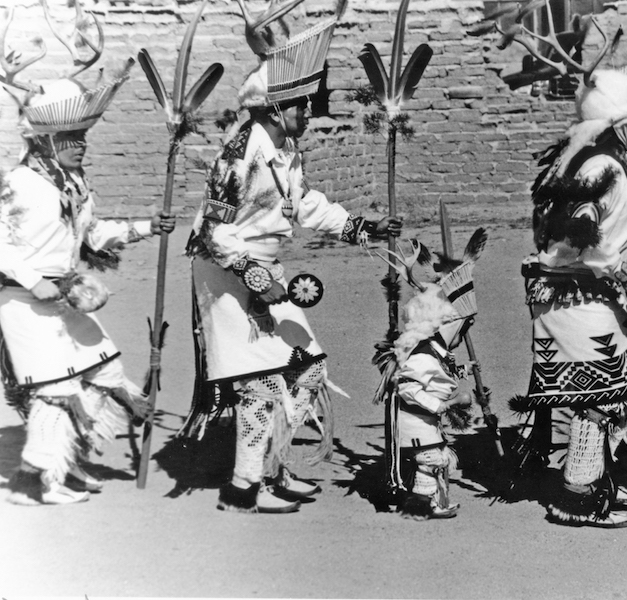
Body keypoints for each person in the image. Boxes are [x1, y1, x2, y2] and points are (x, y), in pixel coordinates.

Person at [185, 16, 402, 514]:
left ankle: (272, 467)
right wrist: (256, 279)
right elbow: (212, 233)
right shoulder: (239, 154)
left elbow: (304, 205)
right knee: (259, 384)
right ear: (279, 106)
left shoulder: (285, 147)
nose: (311, 114)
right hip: (226, 276)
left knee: (307, 368)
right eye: (304, 105)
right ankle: (244, 487)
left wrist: (361, 228)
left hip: (262, 275)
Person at [1, 70, 176, 505]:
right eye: (70, 137)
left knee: (103, 372)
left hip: (65, 297)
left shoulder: (74, 184)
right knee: (54, 390)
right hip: (24, 300)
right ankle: (32, 482)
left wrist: (146, 227)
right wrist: (33, 279)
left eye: (82, 135)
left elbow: (93, 234)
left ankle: (67, 460)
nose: (81, 144)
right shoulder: (19, 183)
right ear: (44, 141)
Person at [515, 54, 627, 528]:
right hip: (574, 294)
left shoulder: (589, 158)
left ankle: (598, 473)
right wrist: (626, 277)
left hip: (581, 293)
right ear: (620, 123)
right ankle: (577, 495)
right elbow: (581, 231)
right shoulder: (599, 165)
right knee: (602, 393)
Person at [384, 282, 474, 520]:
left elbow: (438, 375)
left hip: (424, 420)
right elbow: (407, 387)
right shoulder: (423, 355)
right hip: (416, 420)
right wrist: (441, 405)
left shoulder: (432, 352)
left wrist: (464, 370)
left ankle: (431, 501)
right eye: (459, 333)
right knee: (431, 460)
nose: (460, 339)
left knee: (435, 459)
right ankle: (421, 505)